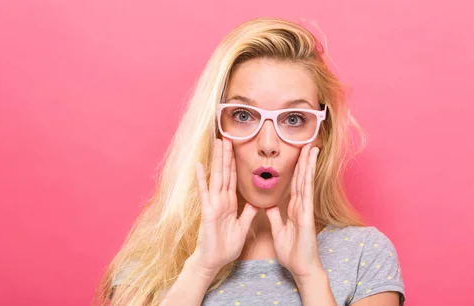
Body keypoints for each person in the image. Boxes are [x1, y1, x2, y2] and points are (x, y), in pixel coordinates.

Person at [93, 17, 406, 306]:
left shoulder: (365, 254)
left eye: (294, 118)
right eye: (243, 116)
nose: (267, 144)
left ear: (320, 133)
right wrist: (201, 267)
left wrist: (310, 276)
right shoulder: (149, 261)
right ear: (216, 126)